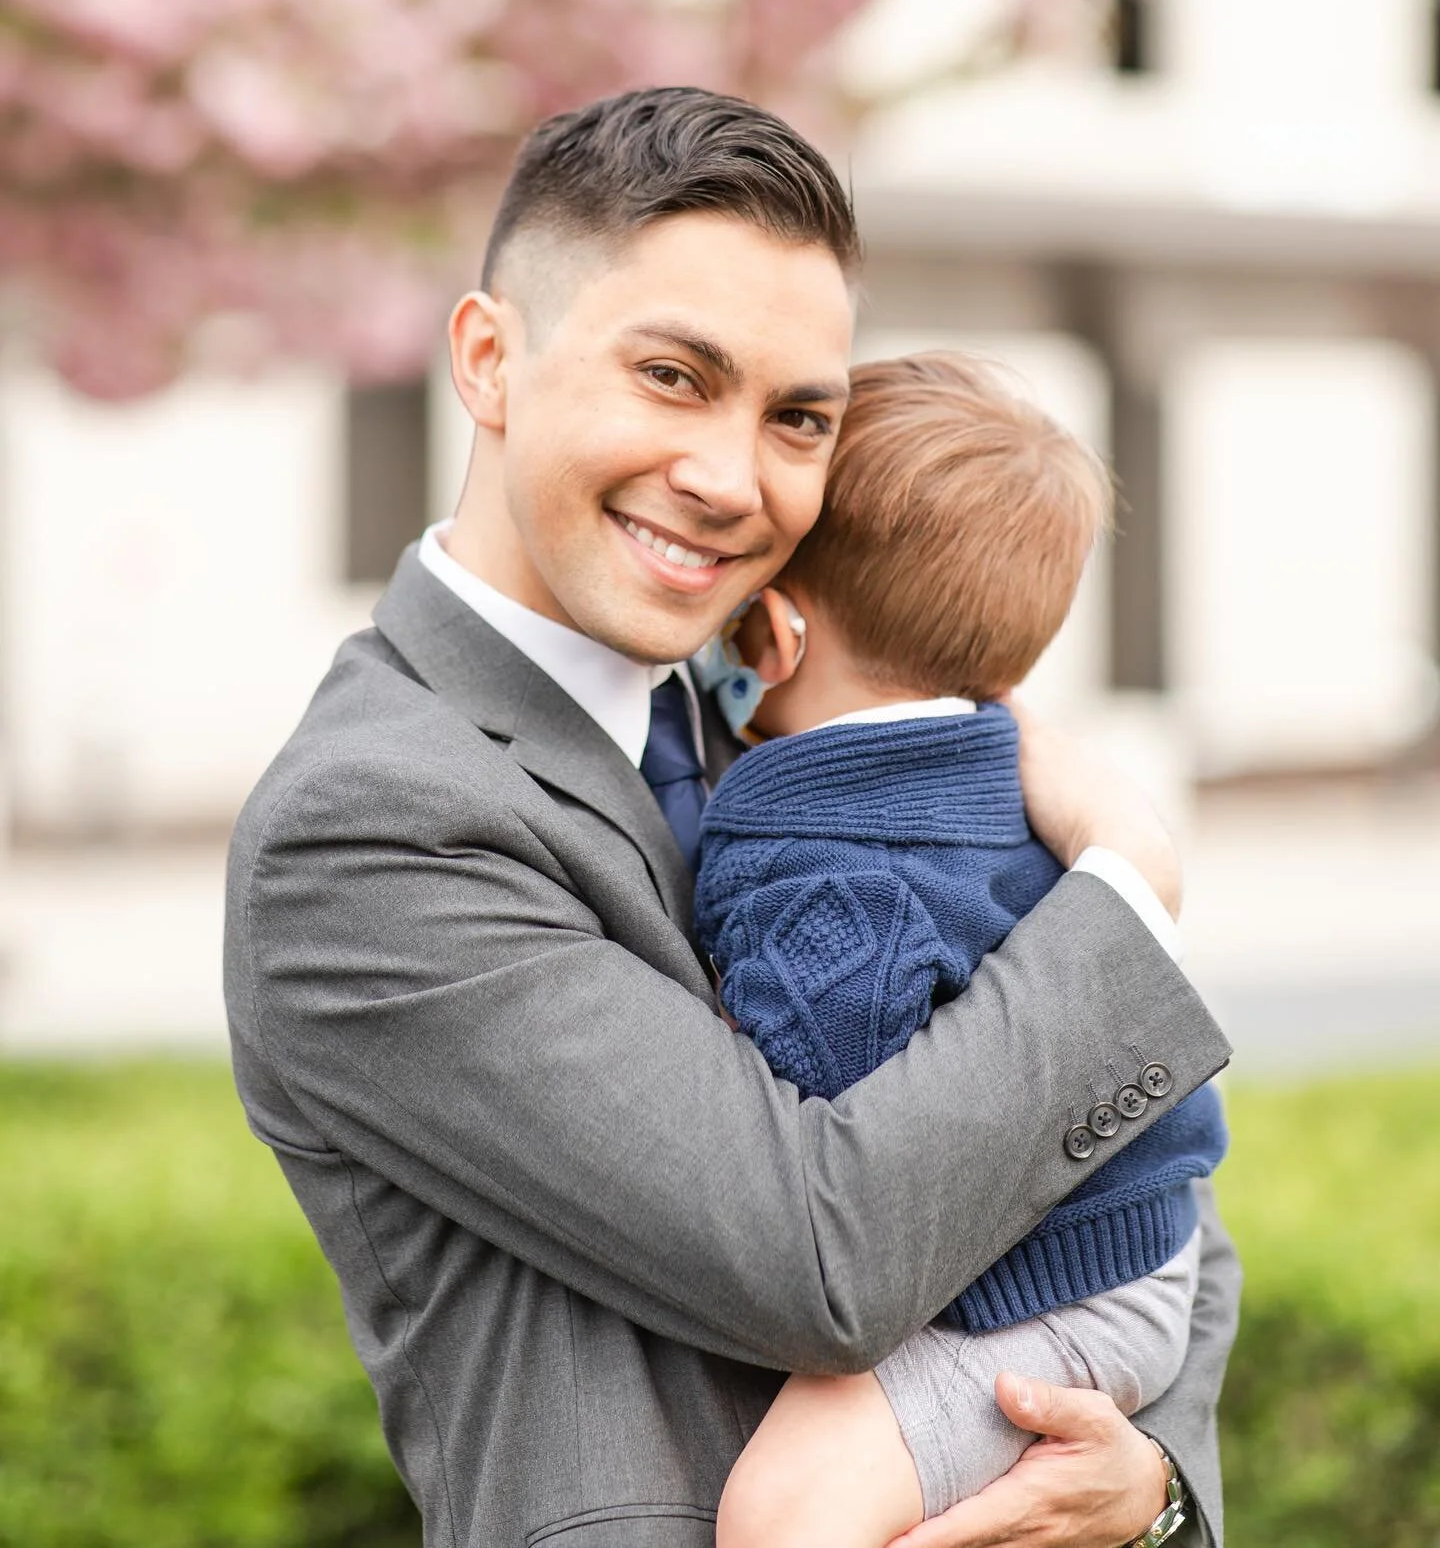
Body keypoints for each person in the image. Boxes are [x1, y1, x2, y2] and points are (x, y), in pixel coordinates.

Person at [224, 87, 1239, 1548]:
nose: (729, 477)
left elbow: (1151, 1182)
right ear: (490, 356)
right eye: (673, 374)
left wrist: (1144, 1484)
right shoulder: (371, 821)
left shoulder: (802, 701)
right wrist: (1126, 886)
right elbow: (819, 1254)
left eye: (798, 415)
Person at [690, 352, 1228, 1548]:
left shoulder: (821, 861)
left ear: (771, 629)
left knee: (781, 1519)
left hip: (1041, 1299)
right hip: (1132, 1248)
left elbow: (833, 1171)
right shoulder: (1011, 766)